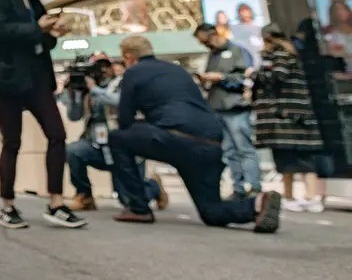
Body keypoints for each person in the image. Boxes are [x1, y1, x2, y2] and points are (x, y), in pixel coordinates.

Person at [108, 35, 281, 232]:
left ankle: (139, 208)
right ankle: (257, 204)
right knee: (211, 212)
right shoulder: (177, 70)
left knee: (117, 139)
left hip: (175, 138)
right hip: (211, 142)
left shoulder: (134, 72)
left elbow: (125, 120)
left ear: (129, 57)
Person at [0, 0, 85, 229]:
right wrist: (37, 27)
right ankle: (7, 205)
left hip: (36, 78)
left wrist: (52, 33)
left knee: (57, 134)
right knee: (12, 141)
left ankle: (56, 202)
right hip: (7, 80)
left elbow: (41, 40)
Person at [65, 53, 166, 213]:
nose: (103, 70)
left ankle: (153, 187)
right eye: (98, 67)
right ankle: (84, 196)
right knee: (72, 151)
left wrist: (95, 90)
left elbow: (120, 101)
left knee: (129, 200)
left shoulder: (122, 82)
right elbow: (74, 116)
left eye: (105, 66)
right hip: (95, 145)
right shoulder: (86, 90)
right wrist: (74, 94)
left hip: (122, 147)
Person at [250, 24, 325, 213]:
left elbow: (277, 77)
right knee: (302, 158)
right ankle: (307, 197)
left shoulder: (278, 54)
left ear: (267, 39)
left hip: (284, 117)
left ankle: (296, 196)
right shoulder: (292, 53)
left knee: (287, 160)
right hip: (297, 115)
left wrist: (253, 74)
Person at [194, 23, 261, 199]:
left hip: (236, 106)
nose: (206, 45)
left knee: (244, 148)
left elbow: (245, 77)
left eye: (206, 40)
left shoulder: (237, 51)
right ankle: (238, 188)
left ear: (214, 34)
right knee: (229, 151)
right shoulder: (212, 56)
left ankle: (254, 186)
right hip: (217, 106)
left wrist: (222, 78)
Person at [231, 3, 264, 68]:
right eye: (241, 12)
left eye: (245, 11)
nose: (244, 14)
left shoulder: (258, 29)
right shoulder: (234, 29)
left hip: (257, 61)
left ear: (250, 12)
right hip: (242, 62)